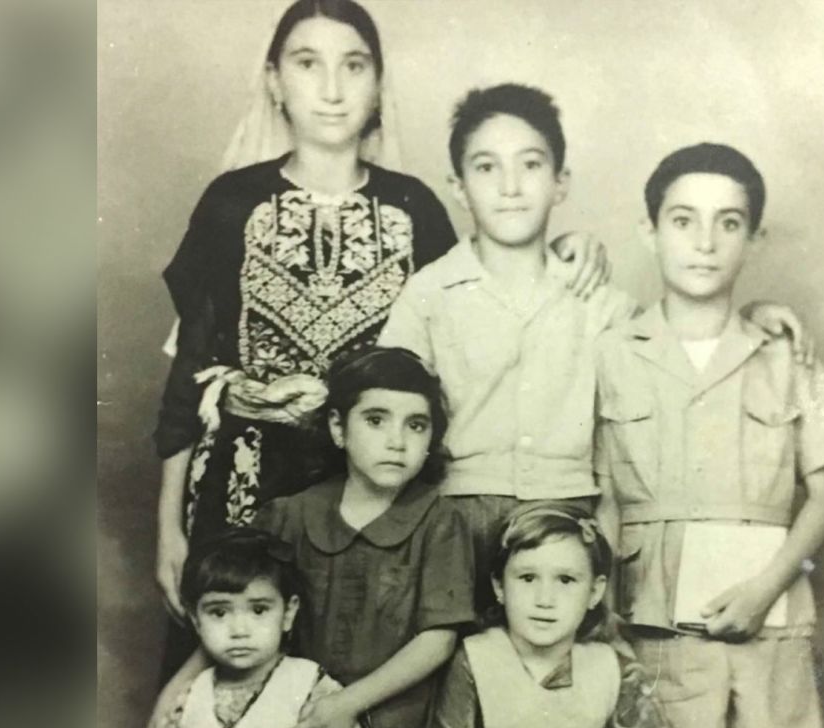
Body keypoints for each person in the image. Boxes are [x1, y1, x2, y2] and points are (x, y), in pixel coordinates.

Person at [152, 0, 609, 665]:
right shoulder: (231, 202)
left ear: (378, 85)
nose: (332, 89)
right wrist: (167, 528)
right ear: (276, 80)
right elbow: (185, 379)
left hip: (379, 499)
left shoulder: (414, 206)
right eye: (308, 64)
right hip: (242, 490)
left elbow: (484, 280)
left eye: (354, 65)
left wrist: (572, 245)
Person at [377, 83, 811, 615]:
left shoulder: (604, 305)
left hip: (570, 523)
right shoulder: (428, 293)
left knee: (565, 684)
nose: (511, 187)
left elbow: (686, 343)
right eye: (487, 168)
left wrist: (752, 316)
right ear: (459, 187)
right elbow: (384, 402)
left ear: (561, 183)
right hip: (453, 516)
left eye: (531, 165)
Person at [594, 143, 824, 728]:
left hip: (760, 606)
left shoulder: (786, 356)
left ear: (754, 237)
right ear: (649, 231)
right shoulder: (612, 351)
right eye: (683, 220)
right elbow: (600, 493)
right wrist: (601, 609)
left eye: (728, 223)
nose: (705, 243)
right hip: (647, 609)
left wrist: (768, 584)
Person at [149, 346, 476, 728]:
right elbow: (236, 621)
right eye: (376, 420)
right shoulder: (289, 516)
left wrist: (346, 705)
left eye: (416, 425)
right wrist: (166, 705)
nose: (397, 441)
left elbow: (438, 639)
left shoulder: (440, 520)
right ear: (339, 429)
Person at [426, 505, 736, 728]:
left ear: (594, 591)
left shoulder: (612, 665)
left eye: (566, 580)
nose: (545, 598)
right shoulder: (477, 657)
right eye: (528, 578)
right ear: (500, 587)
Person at [146, 528, 366, 728]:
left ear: (288, 614)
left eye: (259, 610)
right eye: (219, 613)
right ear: (196, 621)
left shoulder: (310, 688)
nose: (239, 629)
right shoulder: (189, 696)